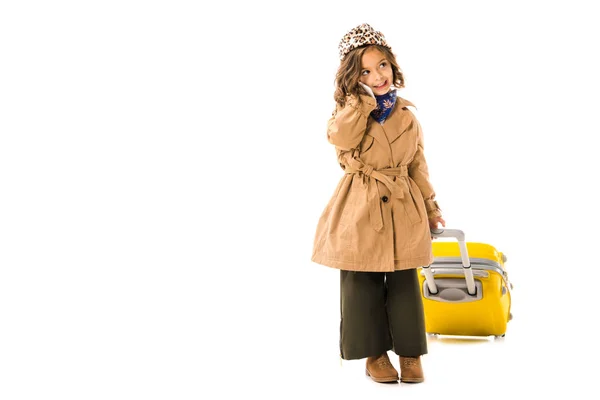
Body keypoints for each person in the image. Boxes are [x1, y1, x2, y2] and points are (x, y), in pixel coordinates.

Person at [311, 23, 446, 384]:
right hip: (362, 204)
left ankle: (411, 353)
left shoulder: (406, 115)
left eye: (382, 65)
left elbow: (418, 163)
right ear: (353, 77)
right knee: (361, 281)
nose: (378, 75)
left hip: (403, 204)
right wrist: (362, 99)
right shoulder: (348, 111)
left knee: (404, 281)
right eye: (366, 71)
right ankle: (374, 354)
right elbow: (340, 138)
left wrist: (432, 208)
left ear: (393, 65)